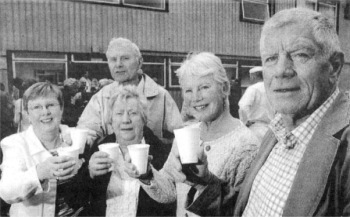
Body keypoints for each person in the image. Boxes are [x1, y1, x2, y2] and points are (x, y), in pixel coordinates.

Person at [182, 8, 350, 216]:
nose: (281, 70)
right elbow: (245, 207)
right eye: (271, 58)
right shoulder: (278, 129)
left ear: (334, 67)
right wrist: (205, 181)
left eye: (299, 55)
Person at [127, 52, 259, 216]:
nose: (195, 97)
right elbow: (169, 191)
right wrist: (147, 174)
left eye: (204, 87)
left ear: (224, 88)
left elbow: (243, 211)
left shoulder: (247, 145)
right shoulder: (186, 135)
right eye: (188, 90)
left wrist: (205, 183)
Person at [0, 82, 90, 217]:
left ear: (61, 108)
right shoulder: (15, 143)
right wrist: (40, 173)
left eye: (51, 105)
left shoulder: (77, 137)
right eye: (36, 107)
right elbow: (7, 191)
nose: (45, 112)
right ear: (27, 113)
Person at [87, 85, 175, 216]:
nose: (125, 120)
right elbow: (75, 200)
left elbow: (171, 199)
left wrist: (148, 176)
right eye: (119, 113)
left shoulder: (161, 152)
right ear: (111, 120)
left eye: (133, 113)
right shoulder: (98, 149)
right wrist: (89, 173)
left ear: (144, 119)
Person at [77, 37, 182, 145]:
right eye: (113, 59)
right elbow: (86, 133)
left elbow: (181, 135)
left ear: (140, 62)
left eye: (125, 58)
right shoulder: (100, 97)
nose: (118, 64)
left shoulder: (161, 95)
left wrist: (159, 146)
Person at [238, 66, 274, 142]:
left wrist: (245, 122)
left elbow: (243, 106)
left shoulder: (253, 88)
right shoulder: (271, 89)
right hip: (270, 130)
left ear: (254, 76)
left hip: (255, 128)